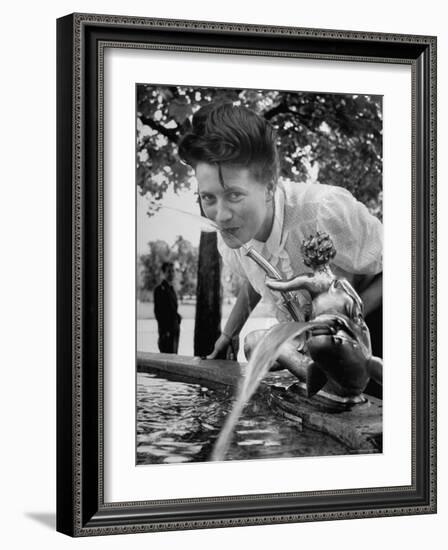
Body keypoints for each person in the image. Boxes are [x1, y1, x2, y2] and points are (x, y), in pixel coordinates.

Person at [178, 101, 383, 378]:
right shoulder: (232, 233)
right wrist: (230, 333)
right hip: (315, 346)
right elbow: (257, 275)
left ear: (269, 186)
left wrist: (338, 326)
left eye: (234, 195)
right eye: (208, 197)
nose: (221, 215)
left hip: (376, 333)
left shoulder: (323, 211)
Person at [154, 262, 181, 354]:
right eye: (169, 271)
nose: (172, 274)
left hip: (174, 330)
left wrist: (178, 318)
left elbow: (173, 309)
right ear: (163, 273)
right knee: (167, 359)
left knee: (174, 356)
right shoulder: (159, 290)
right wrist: (165, 332)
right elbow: (158, 313)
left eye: (173, 271)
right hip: (166, 332)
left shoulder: (171, 289)